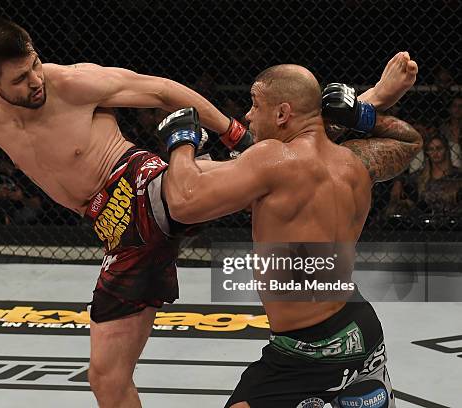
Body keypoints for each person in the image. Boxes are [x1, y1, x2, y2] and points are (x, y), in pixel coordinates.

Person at [0, 14, 414, 405]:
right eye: (20, 79)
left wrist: (231, 132)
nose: (35, 82)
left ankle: (358, 107)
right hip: (112, 225)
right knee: (106, 378)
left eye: (34, 66)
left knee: (257, 172)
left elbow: (163, 89)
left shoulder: (73, 82)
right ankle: (362, 107)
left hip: (136, 185)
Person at [160, 58, 421, 406]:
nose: (249, 115)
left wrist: (181, 140)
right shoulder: (355, 161)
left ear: (282, 113)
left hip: (309, 349)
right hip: (359, 328)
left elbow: (182, 201)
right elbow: (409, 141)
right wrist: (362, 113)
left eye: (255, 105)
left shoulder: (272, 158)